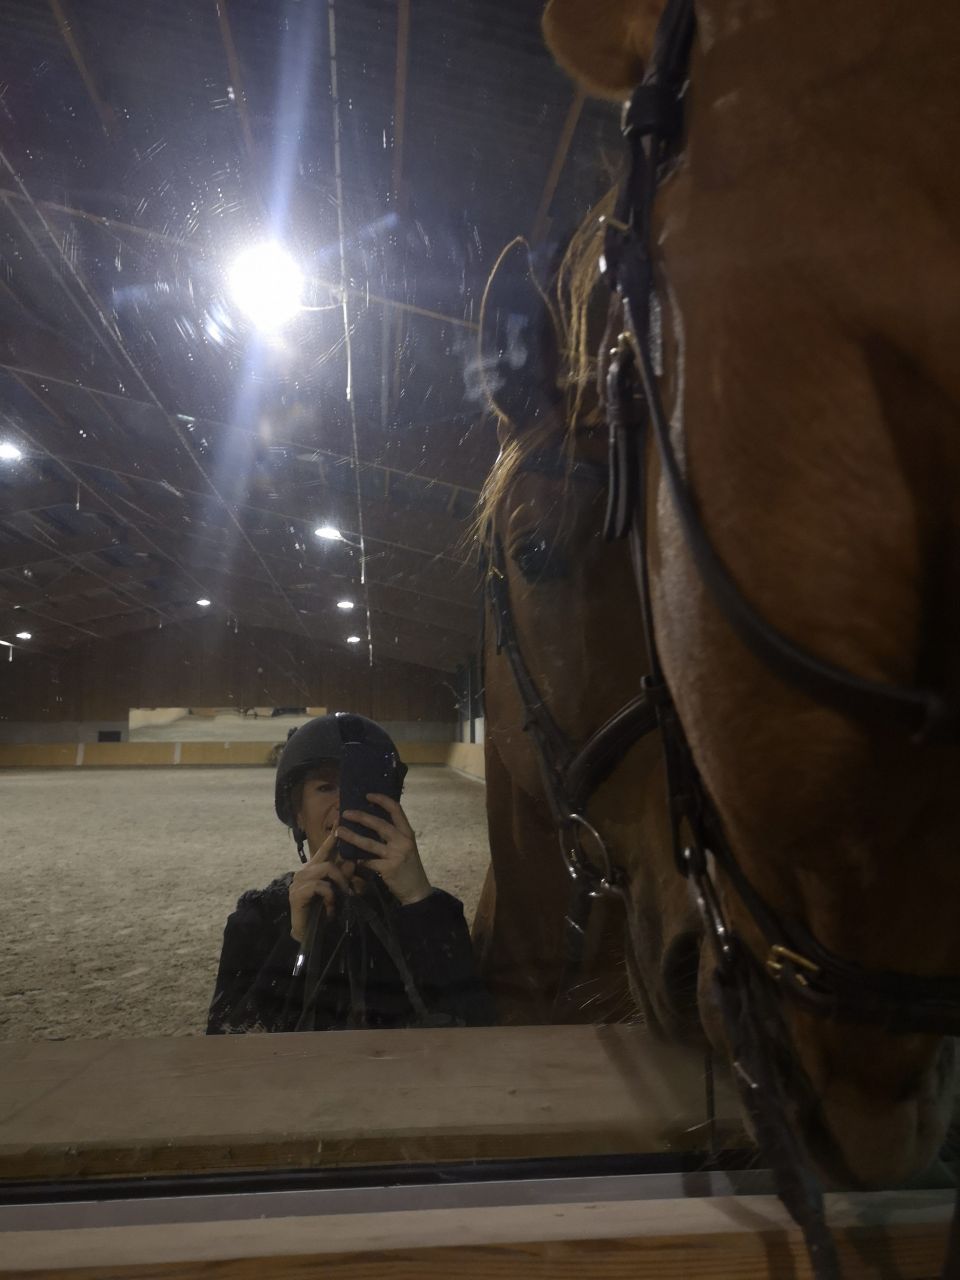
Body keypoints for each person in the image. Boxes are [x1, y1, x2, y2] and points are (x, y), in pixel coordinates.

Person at [206, 713, 495, 1033]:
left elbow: (472, 1027)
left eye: (361, 785)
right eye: (325, 786)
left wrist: (420, 901)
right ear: (298, 813)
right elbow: (229, 1037)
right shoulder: (257, 920)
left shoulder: (437, 913)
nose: (344, 803)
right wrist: (296, 941)